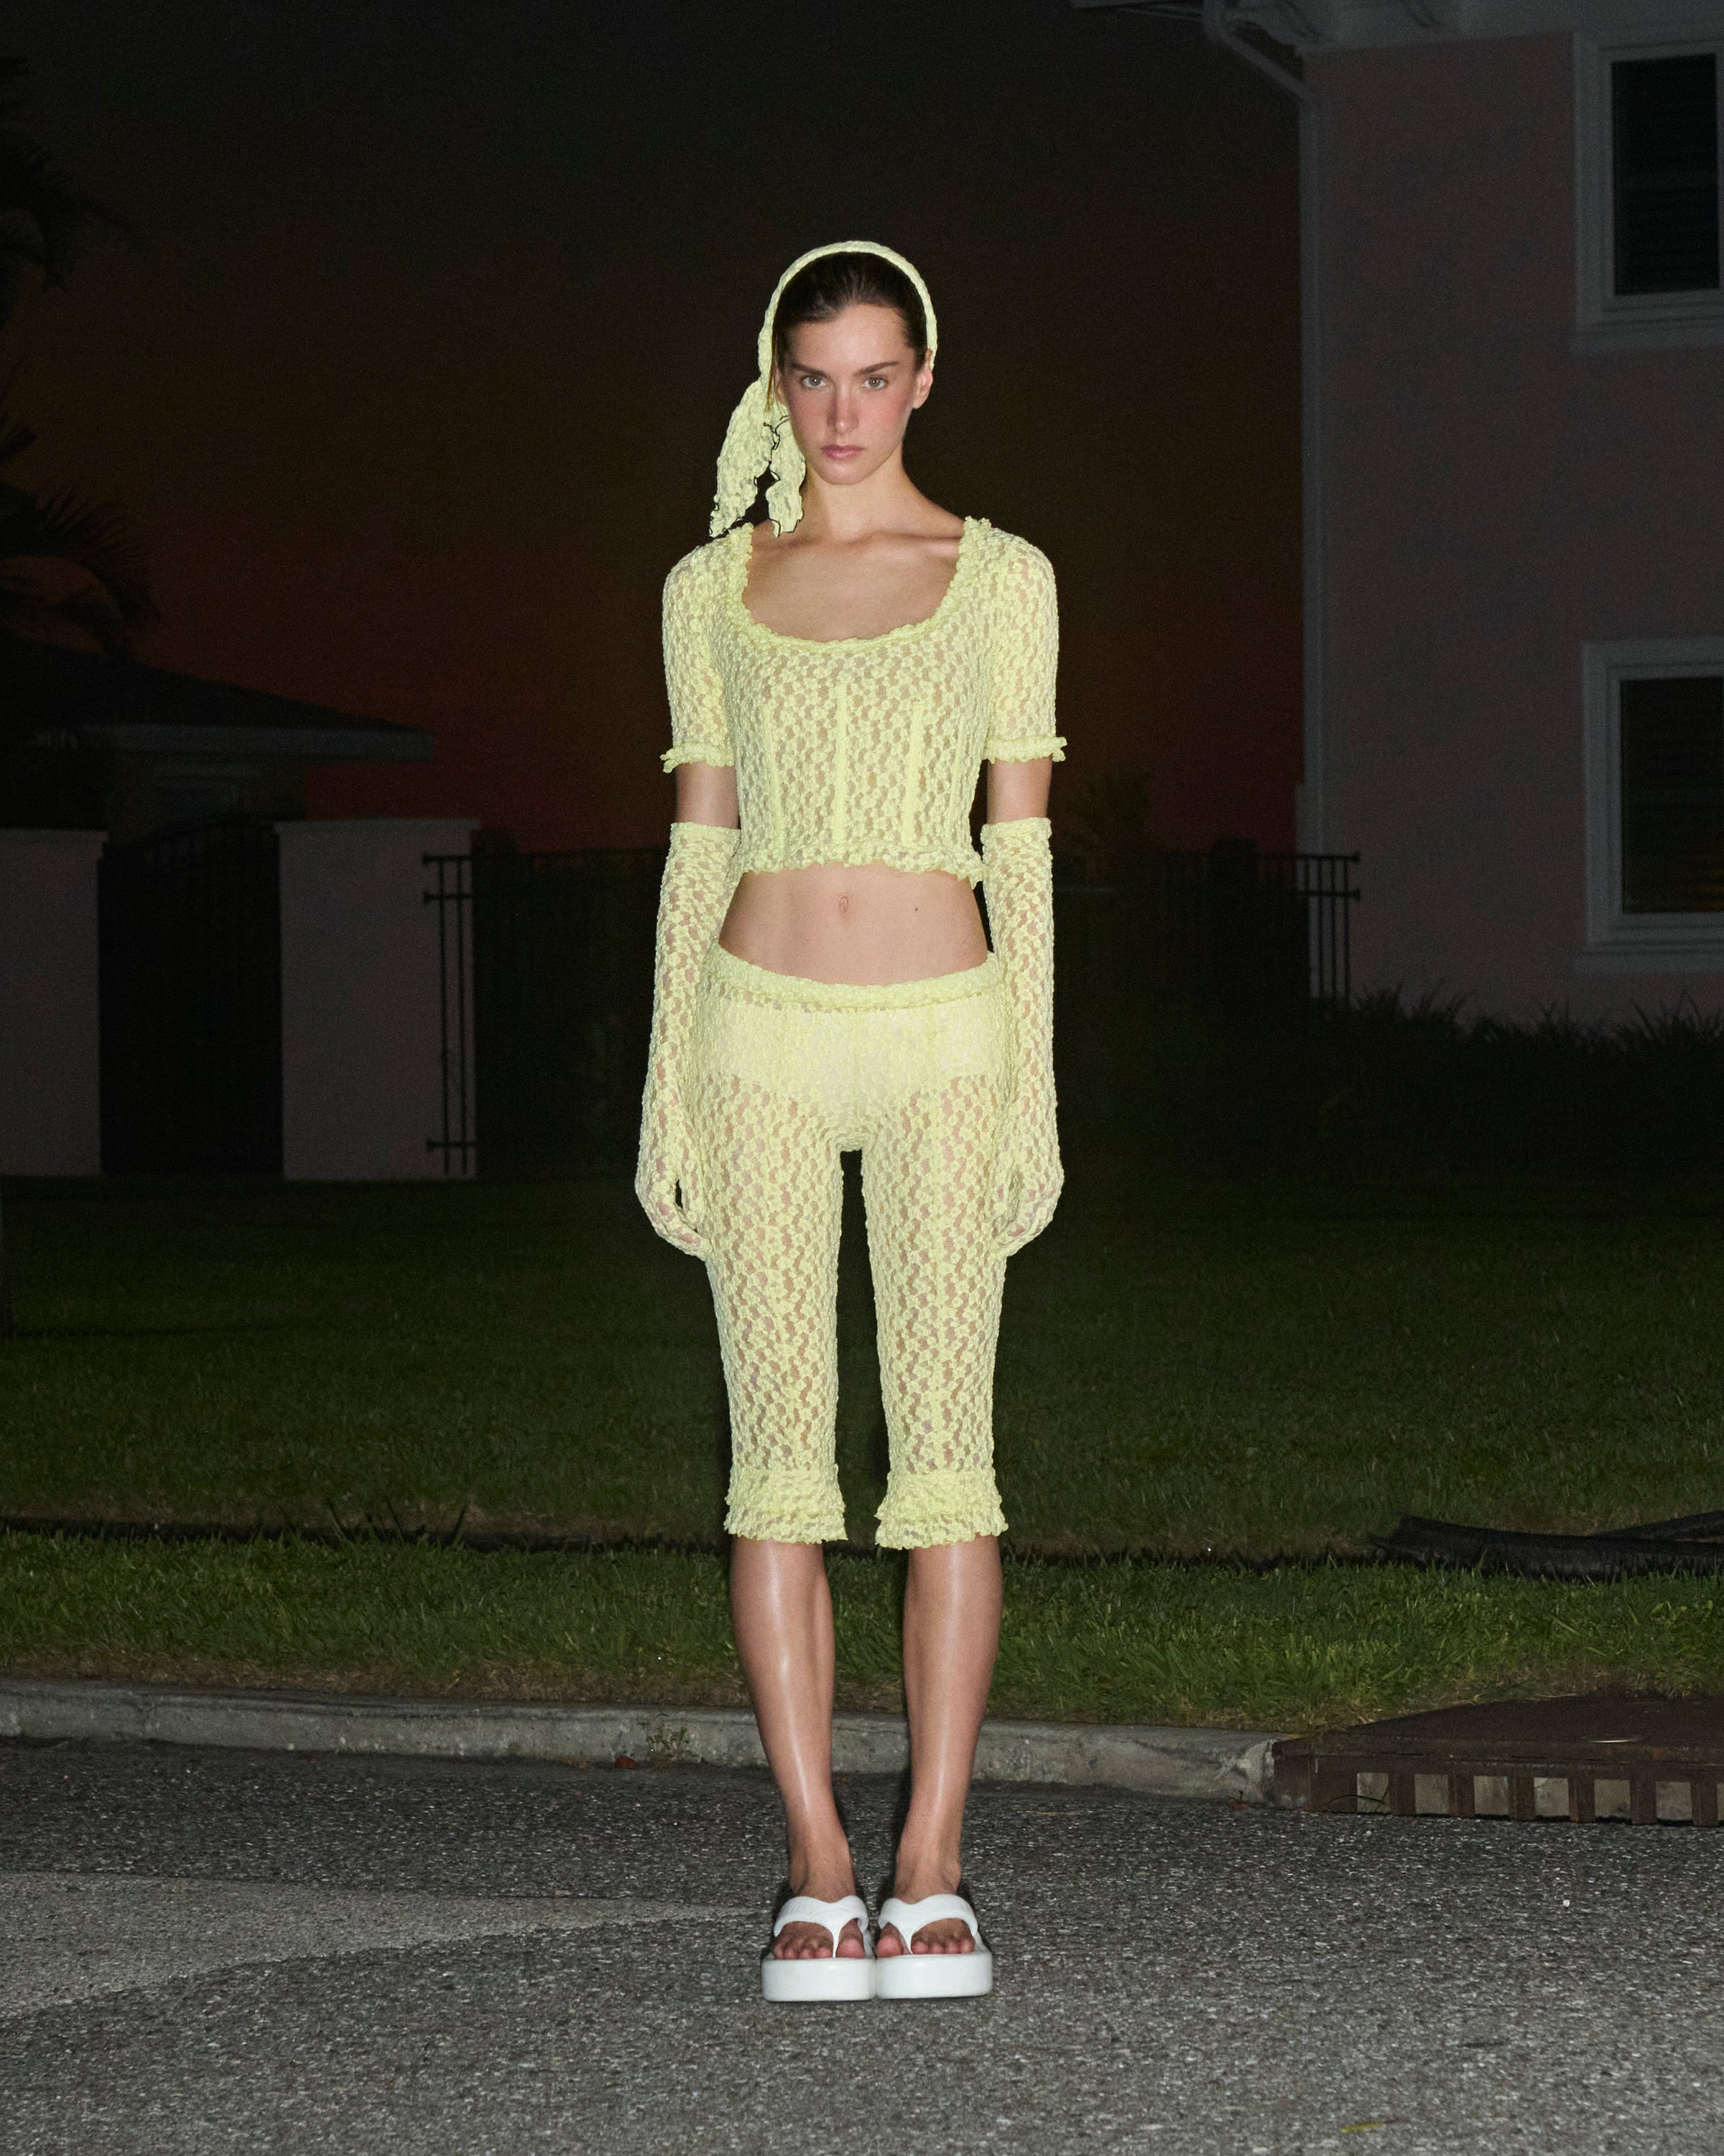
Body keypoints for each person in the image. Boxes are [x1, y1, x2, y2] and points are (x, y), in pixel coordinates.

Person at [636, 241, 1063, 2002]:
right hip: (755, 1037)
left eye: (875, 376)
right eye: (813, 377)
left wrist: (1034, 1083)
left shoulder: (1003, 577)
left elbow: (1021, 843)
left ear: (923, 380)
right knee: (780, 1461)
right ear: (775, 381)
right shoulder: (709, 586)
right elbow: (700, 842)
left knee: (947, 1451)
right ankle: (820, 1870)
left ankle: (933, 1866)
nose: (842, 411)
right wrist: (668, 1082)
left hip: (947, 1038)